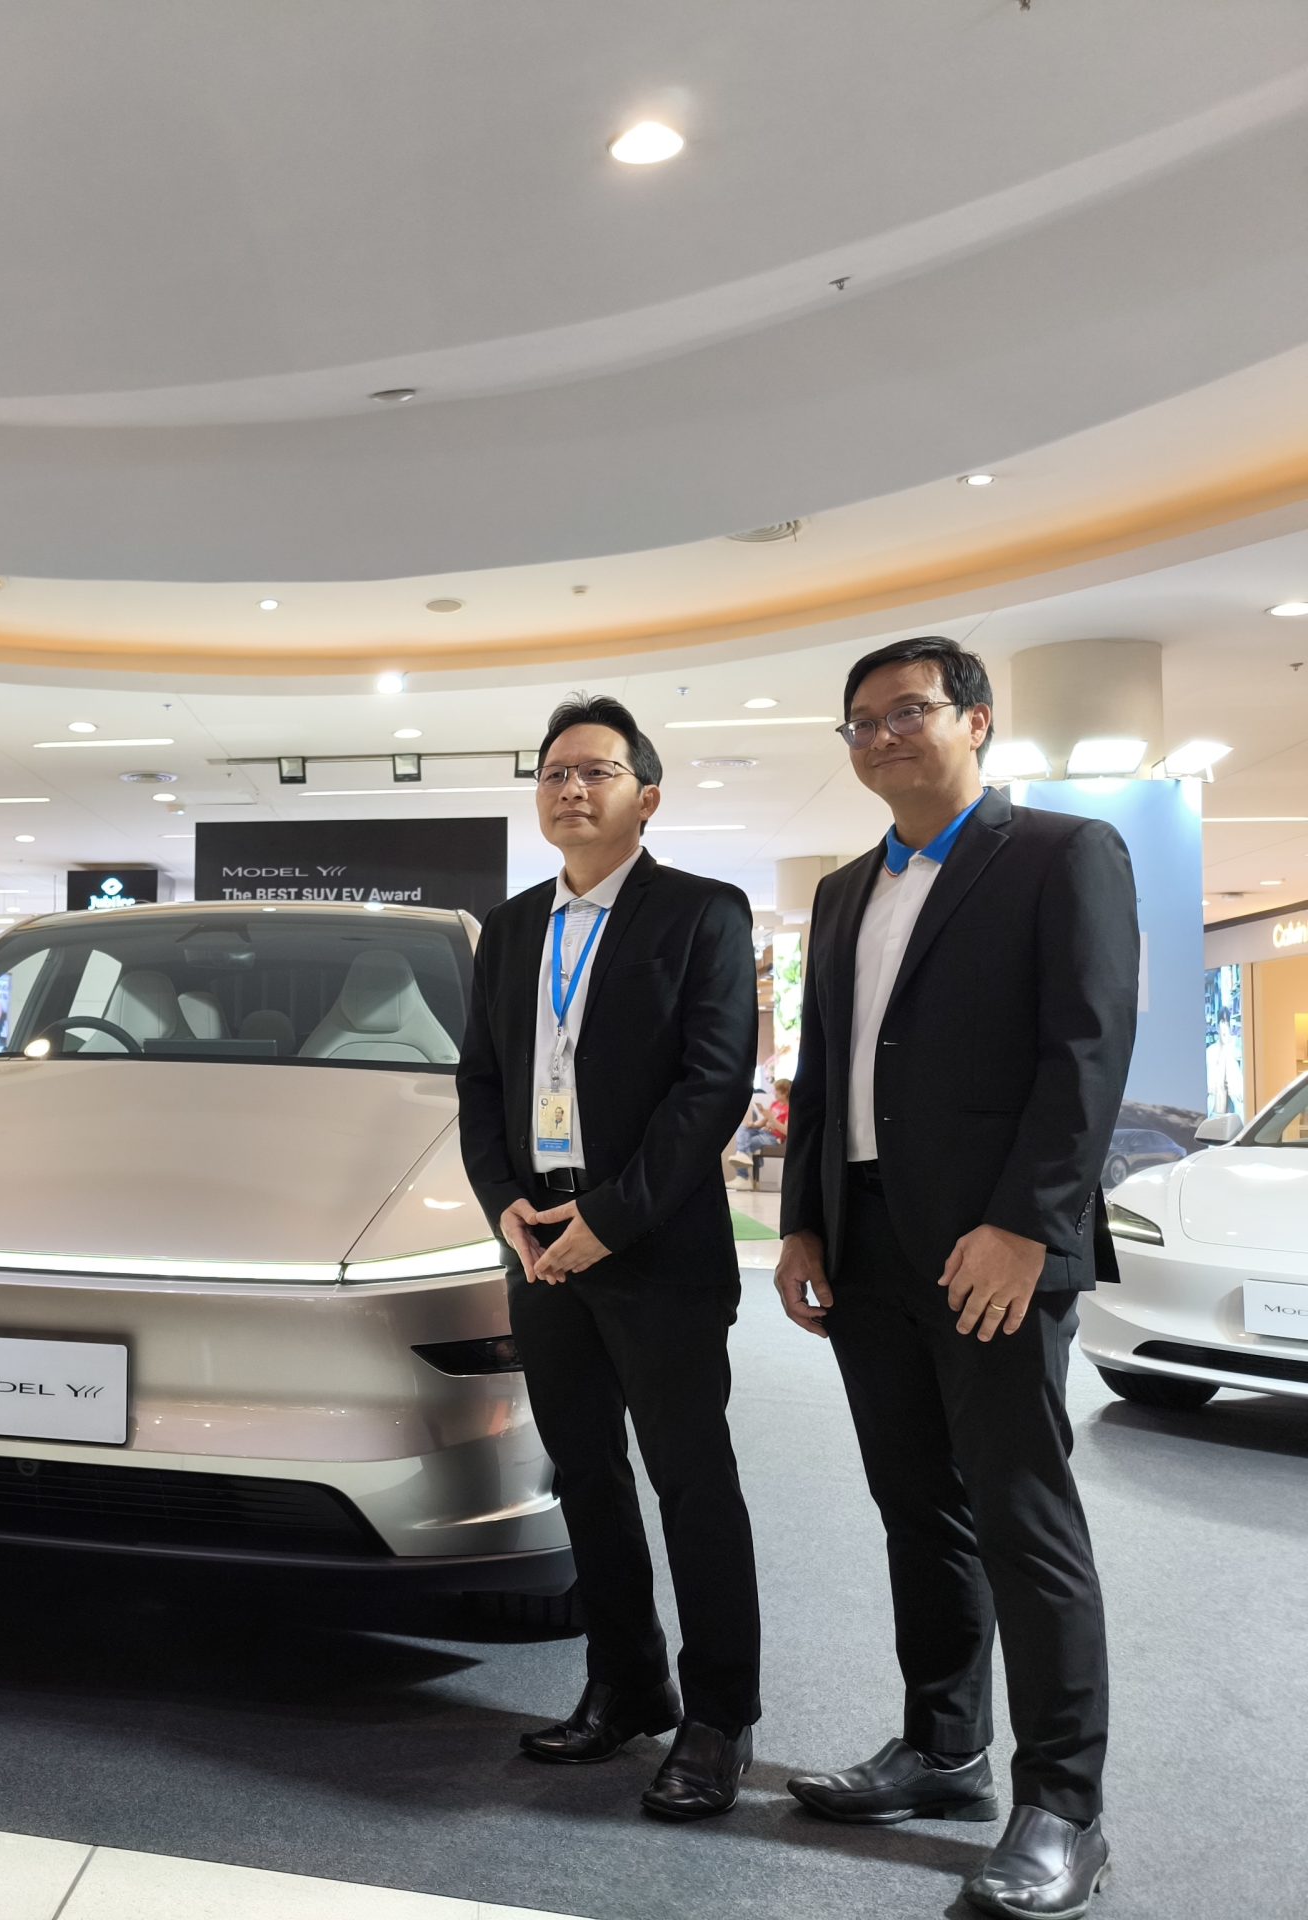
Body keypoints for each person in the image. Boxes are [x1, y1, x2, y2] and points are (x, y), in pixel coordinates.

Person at [775, 636, 1135, 1919]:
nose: (880, 736)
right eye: (859, 722)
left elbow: (1086, 1050)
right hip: (864, 1241)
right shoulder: (842, 891)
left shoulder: (1059, 855)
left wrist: (1025, 1225)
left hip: (992, 1247)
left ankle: (1064, 1809)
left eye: (907, 711)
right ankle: (941, 1748)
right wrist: (802, 1223)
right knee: (915, 1506)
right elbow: (824, 1070)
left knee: (1021, 1516)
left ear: (975, 721)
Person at [455, 694, 761, 1821]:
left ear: (648, 797)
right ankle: (627, 1682)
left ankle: (718, 1716)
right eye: (552, 774)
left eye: (595, 771)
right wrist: (508, 1206)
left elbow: (712, 1085)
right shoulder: (511, 928)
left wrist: (612, 1220)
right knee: (584, 1472)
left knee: (691, 1480)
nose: (570, 789)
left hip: (654, 1242)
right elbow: (480, 1082)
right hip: (540, 1241)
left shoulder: (702, 913)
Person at [731, 1077, 790, 1187]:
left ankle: (743, 1177)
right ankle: (743, 1157)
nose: (774, 1092)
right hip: (764, 1132)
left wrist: (772, 1120)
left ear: (785, 1092)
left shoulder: (790, 1108)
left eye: (777, 1090)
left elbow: (786, 1131)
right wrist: (753, 1124)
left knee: (746, 1143)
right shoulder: (775, 1104)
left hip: (774, 1138)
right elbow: (763, 1122)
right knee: (742, 1128)